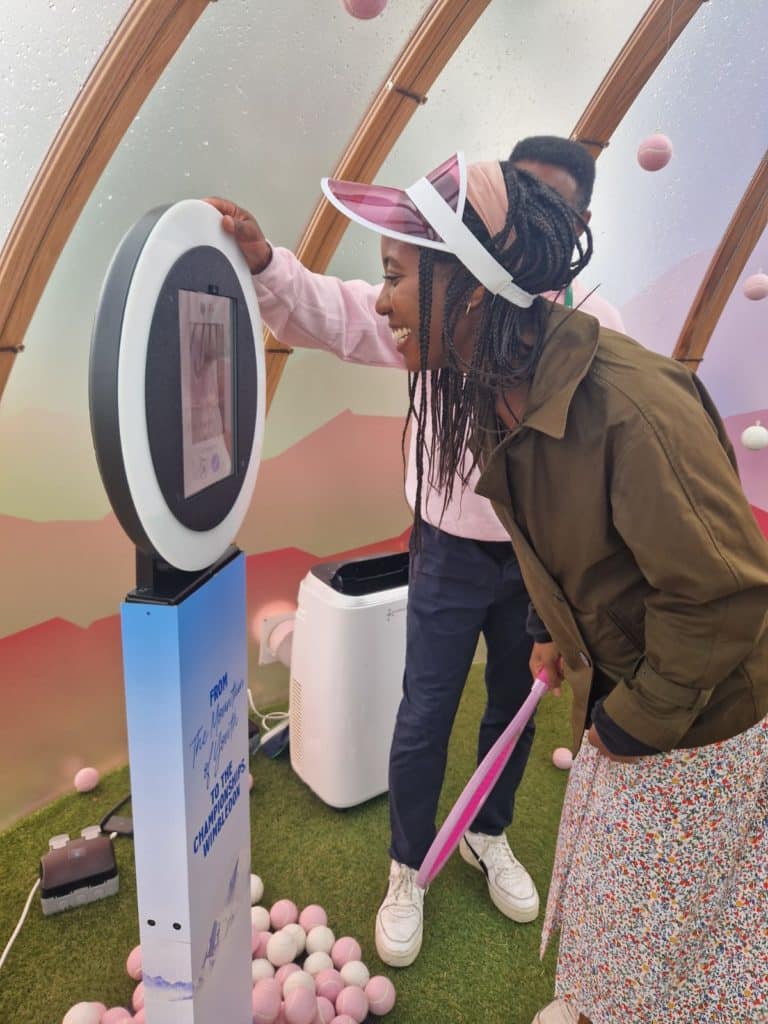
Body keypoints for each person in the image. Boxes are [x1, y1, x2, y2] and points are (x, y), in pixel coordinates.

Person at [269, 150, 767, 1024]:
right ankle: (573, 990)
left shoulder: (627, 403)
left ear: (472, 290)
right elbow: (591, 547)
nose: (380, 301)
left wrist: (626, 721)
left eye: (395, 278)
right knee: (610, 897)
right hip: (632, 687)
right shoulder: (504, 376)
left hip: (700, 725)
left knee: (675, 931)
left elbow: (722, 598)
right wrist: (568, 642)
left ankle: (588, 985)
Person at [207, 137, 624, 970]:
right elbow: (350, 309)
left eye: (546, 210)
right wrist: (265, 267)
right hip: (446, 550)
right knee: (425, 708)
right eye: (513, 200)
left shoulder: (588, 329)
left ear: (572, 224)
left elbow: (608, 466)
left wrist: (576, 596)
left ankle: (487, 834)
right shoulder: (443, 302)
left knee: (512, 705)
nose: (520, 228)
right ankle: (409, 864)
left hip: (537, 560)